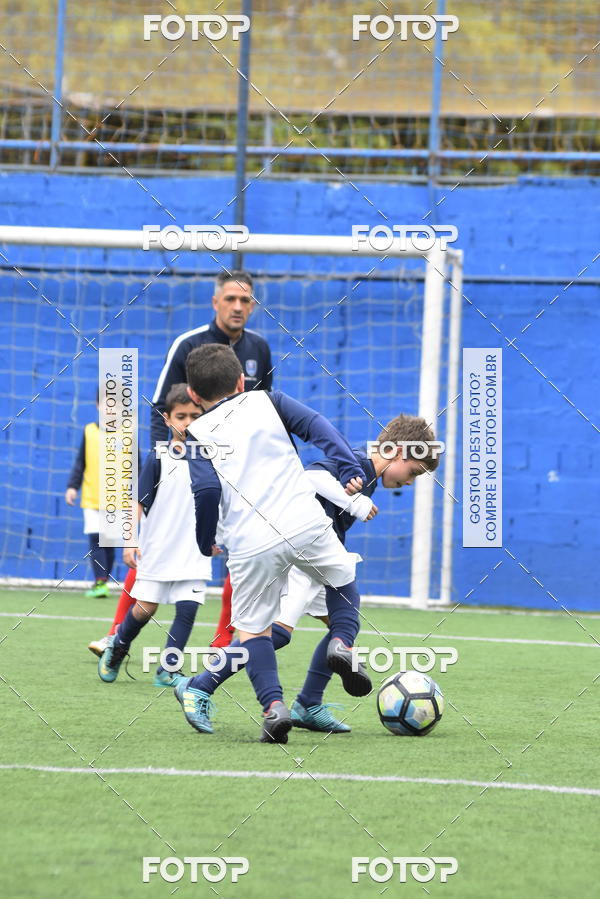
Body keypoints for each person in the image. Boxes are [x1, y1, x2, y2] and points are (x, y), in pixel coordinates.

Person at [182, 414, 439, 734]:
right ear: (398, 452)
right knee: (277, 633)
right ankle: (199, 686)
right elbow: (311, 477)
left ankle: (309, 703)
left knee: (340, 628)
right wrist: (355, 500)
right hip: (295, 552)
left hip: (319, 560)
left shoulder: (368, 470)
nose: (411, 481)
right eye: (413, 472)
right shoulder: (357, 463)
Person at [174, 343, 371, 744]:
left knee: (254, 632)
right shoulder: (269, 400)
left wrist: (204, 539)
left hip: (250, 543)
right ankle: (340, 642)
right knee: (342, 581)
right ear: (242, 380)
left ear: (193, 396)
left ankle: (273, 707)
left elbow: (207, 491)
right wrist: (350, 464)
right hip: (305, 522)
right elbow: (318, 426)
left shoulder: (194, 435)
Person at [88, 269, 271, 653]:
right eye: (230, 299)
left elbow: (264, 409)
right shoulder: (188, 345)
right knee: (154, 544)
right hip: (184, 462)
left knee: (240, 548)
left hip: (236, 467)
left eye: (245, 300)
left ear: (253, 305)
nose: (238, 307)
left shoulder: (259, 349)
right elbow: (160, 407)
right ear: (215, 301)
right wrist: (166, 457)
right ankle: (115, 633)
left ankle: (224, 639)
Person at [97, 384, 214, 687]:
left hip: (193, 550)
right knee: (146, 608)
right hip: (158, 548)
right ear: (167, 419)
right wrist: (130, 540)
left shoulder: (212, 459)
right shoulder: (158, 459)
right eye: (181, 416)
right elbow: (137, 503)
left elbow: (217, 503)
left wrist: (215, 537)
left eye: (194, 415)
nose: (187, 422)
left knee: (188, 607)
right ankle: (118, 645)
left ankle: (168, 668)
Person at [65, 393, 114, 598]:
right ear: (97, 405)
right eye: (106, 404)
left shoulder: (128, 434)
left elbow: (136, 467)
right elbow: (80, 462)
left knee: (109, 540)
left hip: (117, 501)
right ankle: (100, 581)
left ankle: (104, 579)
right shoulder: (89, 431)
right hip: (92, 497)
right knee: (95, 539)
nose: (111, 409)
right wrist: (72, 487)